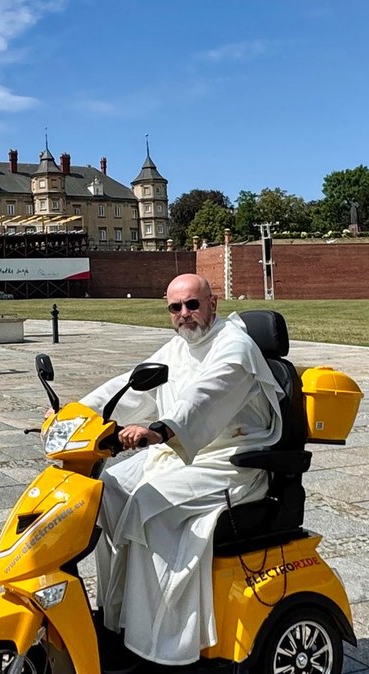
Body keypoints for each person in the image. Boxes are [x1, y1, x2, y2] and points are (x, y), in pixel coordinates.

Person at [76, 273, 284, 668]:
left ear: (213, 303)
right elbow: (132, 384)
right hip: (180, 453)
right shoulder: (178, 347)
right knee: (106, 486)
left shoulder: (235, 347)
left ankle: (155, 640)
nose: (184, 314)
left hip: (234, 463)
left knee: (148, 505)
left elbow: (204, 400)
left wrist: (159, 430)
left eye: (193, 304)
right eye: (176, 307)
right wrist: (78, 413)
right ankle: (115, 615)